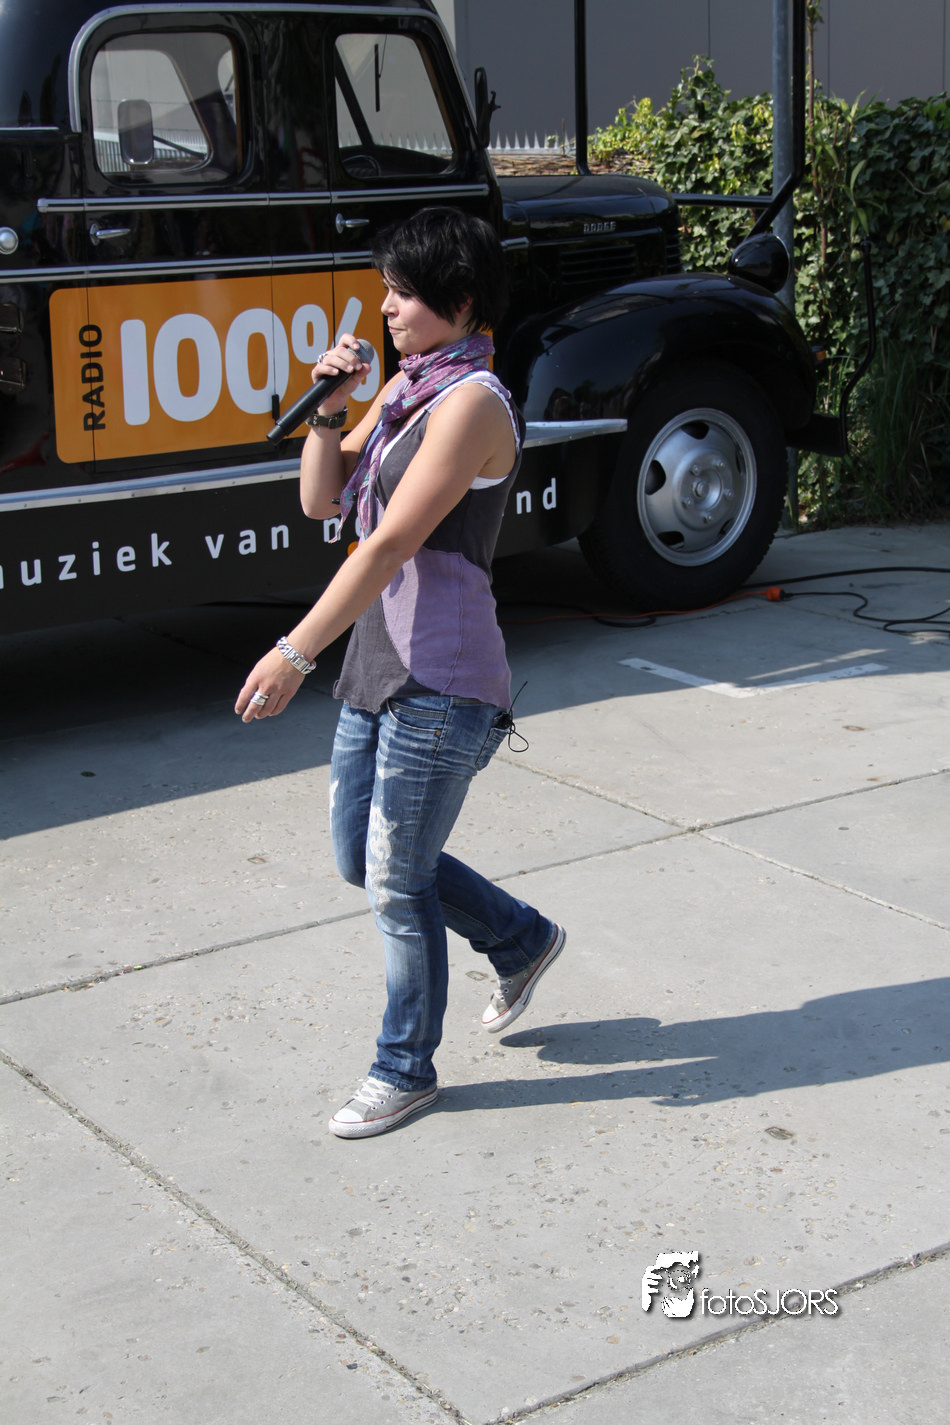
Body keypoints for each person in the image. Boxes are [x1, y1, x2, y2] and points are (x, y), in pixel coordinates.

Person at [235, 207, 565, 1139]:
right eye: (385, 290)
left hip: (445, 676)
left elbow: (386, 544)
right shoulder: (410, 387)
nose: (385, 309)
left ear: (459, 302)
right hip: (378, 662)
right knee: (364, 858)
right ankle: (520, 936)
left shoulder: (473, 404)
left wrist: (293, 650)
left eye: (403, 294)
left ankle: (404, 1067)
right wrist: (331, 408)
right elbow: (322, 499)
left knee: (395, 878)